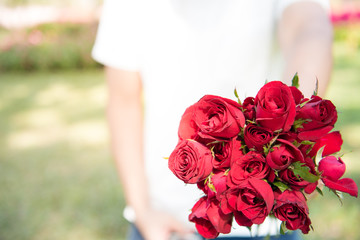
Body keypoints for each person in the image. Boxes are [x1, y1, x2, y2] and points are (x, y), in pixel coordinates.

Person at [92, 0, 333, 239]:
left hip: (265, 221)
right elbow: (124, 101)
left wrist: (292, 127)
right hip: (165, 222)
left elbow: (309, 29)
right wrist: (142, 209)